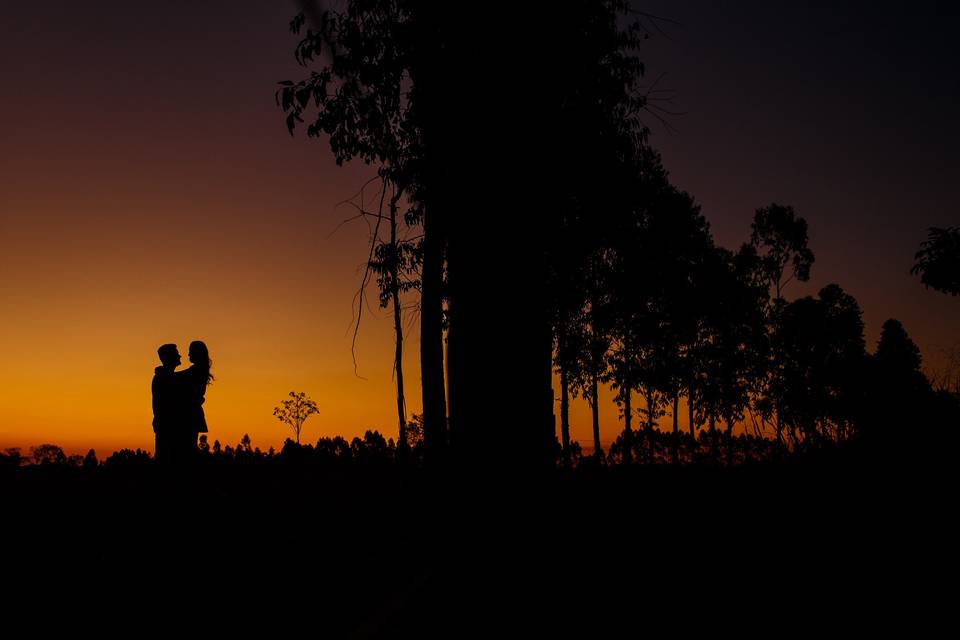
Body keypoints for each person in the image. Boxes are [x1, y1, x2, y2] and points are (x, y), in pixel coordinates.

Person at [176, 340, 213, 454]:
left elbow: (176, 377)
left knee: (187, 448)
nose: (188, 354)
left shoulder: (195, 371)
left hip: (190, 414)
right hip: (193, 413)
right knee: (188, 446)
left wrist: (162, 372)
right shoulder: (200, 370)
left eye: (190, 352)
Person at [151, 343, 182, 463]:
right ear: (168, 357)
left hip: (165, 426)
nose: (180, 356)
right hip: (167, 427)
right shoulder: (164, 378)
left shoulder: (166, 377)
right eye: (176, 354)